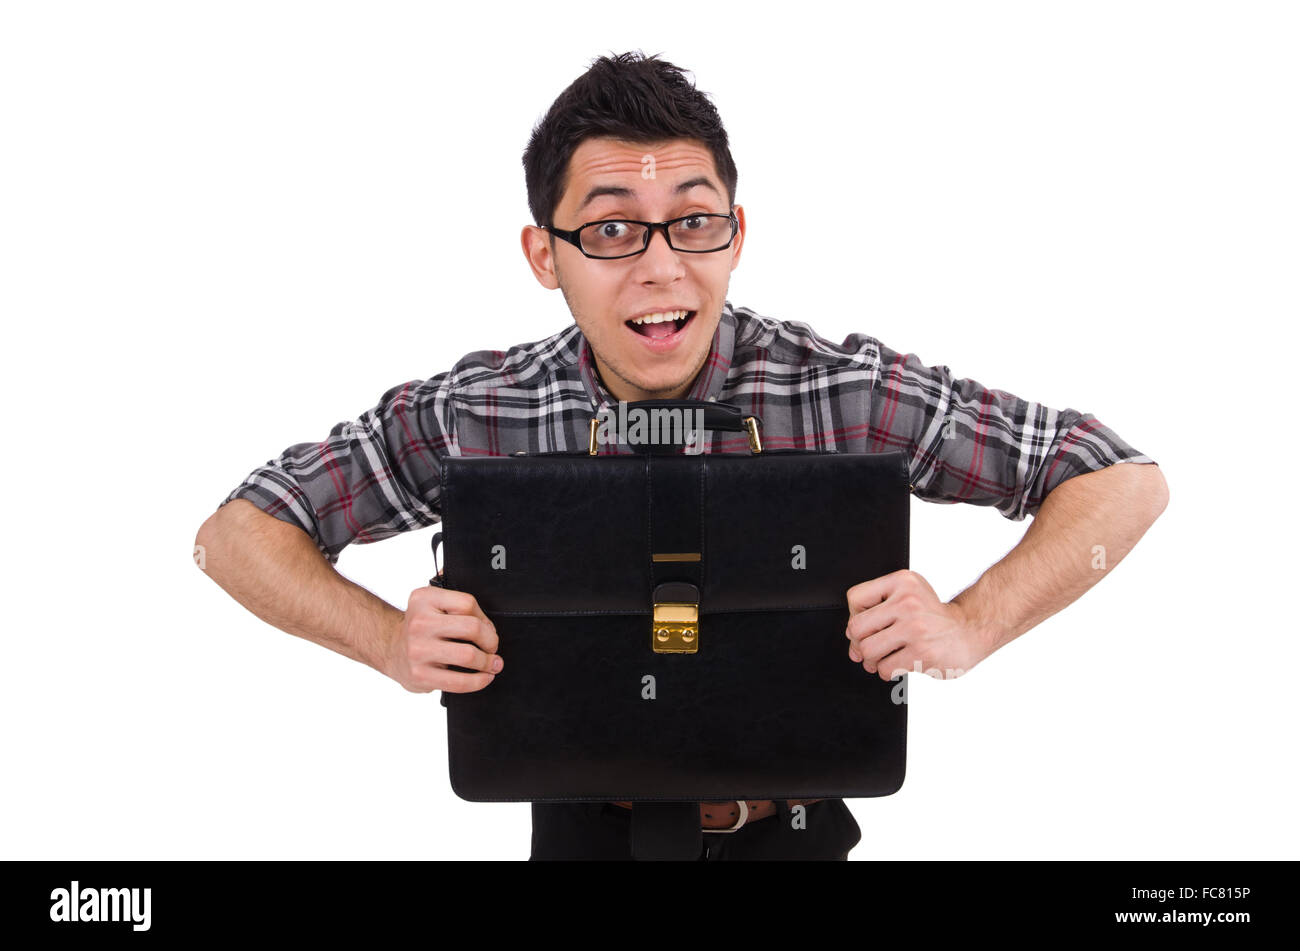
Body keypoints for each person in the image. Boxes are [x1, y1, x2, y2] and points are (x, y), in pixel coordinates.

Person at [195, 51, 1168, 861]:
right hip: (578, 840)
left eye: (693, 222)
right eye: (612, 229)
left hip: (791, 840)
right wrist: (384, 645)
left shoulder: (839, 389)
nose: (662, 266)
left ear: (735, 232)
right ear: (546, 256)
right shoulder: (475, 411)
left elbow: (1121, 480)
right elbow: (235, 536)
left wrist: (969, 625)